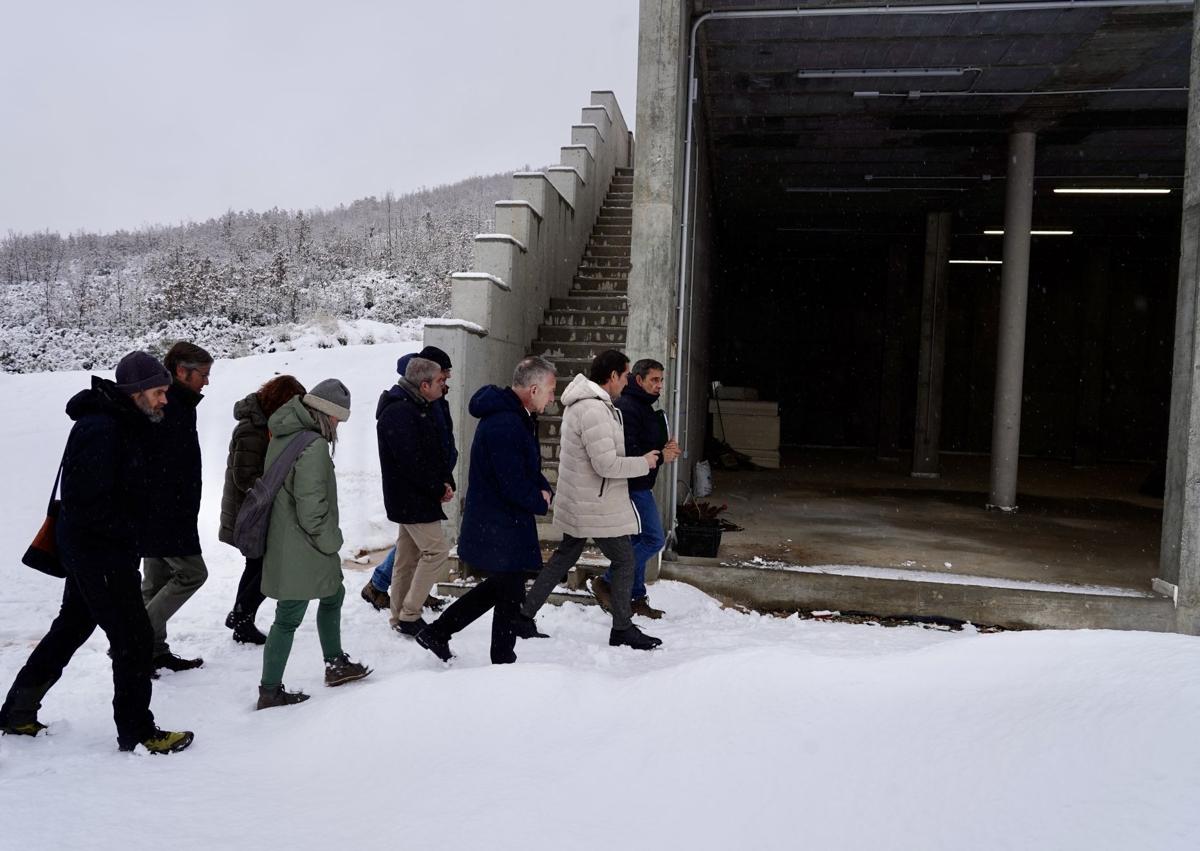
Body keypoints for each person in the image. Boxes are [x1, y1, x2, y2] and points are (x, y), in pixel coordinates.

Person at [0, 351, 194, 754]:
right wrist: (132, 531)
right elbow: (85, 502)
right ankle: (139, 732)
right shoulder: (102, 428)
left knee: (70, 629)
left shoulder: (125, 421)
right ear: (136, 392)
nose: (165, 400)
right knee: (135, 640)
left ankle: (17, 712)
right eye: (159, 392)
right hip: (100, 553)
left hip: (100, 551)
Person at [518, 350, 663, 650]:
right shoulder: (594, 409)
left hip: (581, 498)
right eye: (624, 376)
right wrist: (644, 462)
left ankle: (523, 614)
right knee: (624, 560)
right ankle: (622, 628)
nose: (626, 383)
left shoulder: (586, 403)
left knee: (565, 557)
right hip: (594, 503)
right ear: (612, 376)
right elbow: (606, 465)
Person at [416, 357, 557, 664]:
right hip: (499, 522)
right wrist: (540, 499)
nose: (552, 398)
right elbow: (511, 481)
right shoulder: (505, 422)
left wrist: (542, 487)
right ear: (533, 389)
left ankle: (439, 633)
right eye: (550, 390)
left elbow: (527, 467)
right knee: (508, 591)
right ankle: (502, 659)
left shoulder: (516, 416)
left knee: (503, 588)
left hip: (503, 520)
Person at [257, 379, 371, 710]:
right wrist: (331, 540)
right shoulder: (313, 445)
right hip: (303, 544)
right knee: (289, 615)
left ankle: (335, 663)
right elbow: (311, 508)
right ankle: (269, 690)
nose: (338, 426)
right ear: (324, 414)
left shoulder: (284, 434)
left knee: (333, 593)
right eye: (337, 419)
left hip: (288, 539)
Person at [361, 345, 456, 612]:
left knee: (406, 556)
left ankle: (400, 613)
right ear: (425, 383)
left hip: (418, 494)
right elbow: (413, 460)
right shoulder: (403, 411)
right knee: (436, 552)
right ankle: (409, 612)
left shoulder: (418, 404)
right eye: (442, 378)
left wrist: (445, 480)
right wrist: (439, 485)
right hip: (413, 497)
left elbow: (437, 448)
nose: (445, 383)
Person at [217, 374, 307, 644]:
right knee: (269, 566)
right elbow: (245, 477)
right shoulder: (251, 429)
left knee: (257, 565)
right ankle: (241, 615)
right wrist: (278, 487)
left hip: (256, 510)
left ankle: (242, 619)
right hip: (248, 513)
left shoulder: (266, 425)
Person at [139, 341, 212, 672]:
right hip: (167, 512)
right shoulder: (169, 405)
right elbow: (160, 464)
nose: (206, 382)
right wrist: (169, 508)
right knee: (193, 574)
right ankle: (135, 640)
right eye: (203, 374)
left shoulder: (178, 402)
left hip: (164, 510)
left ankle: (152, 651)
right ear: (182, 372)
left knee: (155, 581)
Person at [591, 358, 681, 619]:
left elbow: (647, 442)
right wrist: (662, 455)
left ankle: (636, 596)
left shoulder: (642, 406)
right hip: (632, 486)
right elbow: (629, 451)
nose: (660, 385)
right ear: (638, 380)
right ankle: (607, 580)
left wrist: (667, 448)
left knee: (639, 540)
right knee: (653, 539)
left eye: (662, 380)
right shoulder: (628, 408)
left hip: (642, 483)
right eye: (654, 380)